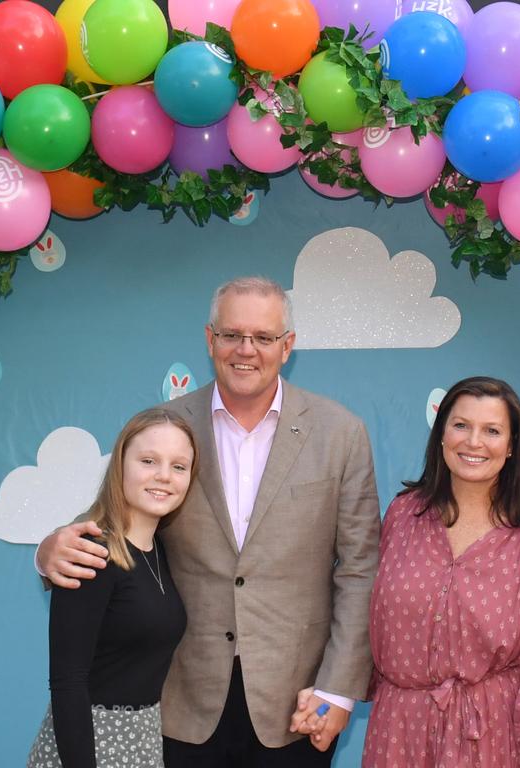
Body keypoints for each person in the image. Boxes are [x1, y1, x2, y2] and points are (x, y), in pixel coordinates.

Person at [36, 276, 381, 767]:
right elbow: (111, 516)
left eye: (263, 338)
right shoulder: (165, 425)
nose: (246, 350)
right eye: (231, 335)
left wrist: (339, 690)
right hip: (180, 699)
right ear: (209, 339)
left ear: (288, 347)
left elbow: (360, 568)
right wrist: (48, 550)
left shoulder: (340, 433)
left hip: (298, 705)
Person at [363, 376, 520, 768]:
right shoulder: (402, 517)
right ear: (441, 434)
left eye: (492, 431)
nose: (474, 442)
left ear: (512, 446)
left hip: (492, 742)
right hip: (398, 737)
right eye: (461, 425)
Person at [28, 407, 198, 768]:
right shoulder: (91, 554)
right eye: (149, 461)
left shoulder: (160, 550)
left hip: (144, 741)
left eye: (179, 466)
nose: (164, 476)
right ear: (120, 465)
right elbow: (67, 682)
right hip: (88, 745)